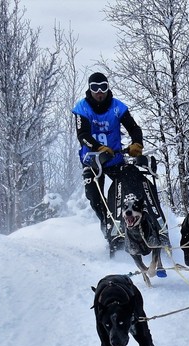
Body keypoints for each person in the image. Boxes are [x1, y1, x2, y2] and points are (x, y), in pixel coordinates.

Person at [72, 72, 145, 244]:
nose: (99, 92)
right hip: (92, 161)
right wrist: (98, 148)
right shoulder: (82, 108)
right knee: (94, 196)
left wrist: (137, 143)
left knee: (129, 188)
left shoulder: (117, 107)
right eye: (95, 88)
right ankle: (108, 225)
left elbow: (134, 128)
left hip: (114, 159)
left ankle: (134, 224)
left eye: (103, 87)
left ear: (107, 88)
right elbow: (82, 135)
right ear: (89, 90)